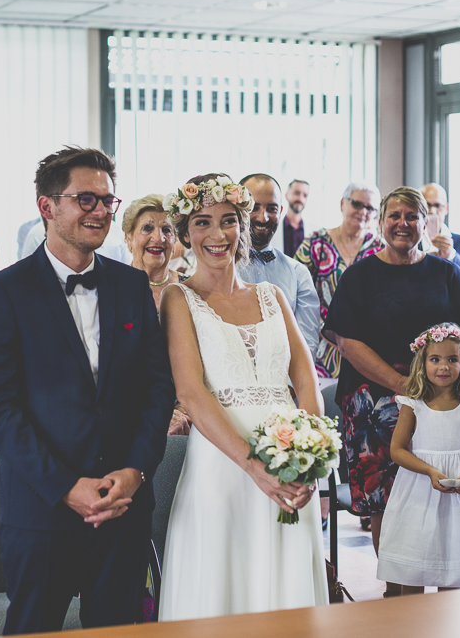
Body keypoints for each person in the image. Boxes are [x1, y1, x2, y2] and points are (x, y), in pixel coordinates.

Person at [0, 146, 175, 634]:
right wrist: (65, 487)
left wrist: (136, 471)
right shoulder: (3, 293)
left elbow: (158, 388)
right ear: (47, 206)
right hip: (41, 512)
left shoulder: (131, 286)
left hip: (124, 507)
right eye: (87, 199)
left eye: (107, 200)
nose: (101, 211)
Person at [158, 174, 327, 619]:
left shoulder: (272, 295)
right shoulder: (178, 299)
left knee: (285, 590)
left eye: (228, 221)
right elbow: (192, 394)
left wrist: (307, 457)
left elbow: (306, 382)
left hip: (289, 462)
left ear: (243, 224)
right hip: (223, 465)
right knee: (224, 591)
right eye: (202, 223)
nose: (217, 235)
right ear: (184, 232)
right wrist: (255, 467)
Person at [324, 186, 460, 598]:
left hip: (440, 406)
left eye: (412, 216)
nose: (403, 224)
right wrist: (406, 388)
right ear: (381, 222)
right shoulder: (360, 274)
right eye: (394, 215)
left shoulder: (449, 273)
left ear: (426, 222)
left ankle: (448, 591)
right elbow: (348, 340)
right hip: (373, 403)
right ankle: (400, 591)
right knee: (390, 504)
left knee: (441, 495)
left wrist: (437, 386)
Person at [377, 323, 460, 594]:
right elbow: (397, 450)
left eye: (452, 359)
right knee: (414, 567)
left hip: (459, 496)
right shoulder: (413, 403)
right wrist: (430, 471)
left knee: (453, 567)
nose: (443, 366)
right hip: (419, 492)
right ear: (422, 363)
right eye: (435, 359)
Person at [295, 182, 386, 379]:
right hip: (319, 345)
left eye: (370, 208)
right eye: (357, 204)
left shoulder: (380, 248)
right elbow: (295, 293)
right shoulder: (315, 242)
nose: (363, 212)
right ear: (343, 203)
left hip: (367, 351)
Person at [122, 194, 188, 436]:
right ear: (128, 238)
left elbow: (207, 361)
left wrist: (183, 410)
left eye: (167, 230)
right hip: (126, 413)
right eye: (147, 228)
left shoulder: (192, 291)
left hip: (187, 416)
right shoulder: (110, 289)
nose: (158, 238)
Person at [237, 174, 320, 355]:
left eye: (272, 209)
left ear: (281, 211)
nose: (263, 217)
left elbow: (307, 346)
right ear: (238, 209)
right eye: (253, 207)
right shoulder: (218, 270)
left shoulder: (299, 274)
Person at [421, 183, 460, 291]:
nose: (432, 211)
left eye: (437, 206)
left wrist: (452, 255)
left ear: (446, 208)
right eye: (427, 205)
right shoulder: (410, 242)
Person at [283, 179, 316, 258]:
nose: (300, 199)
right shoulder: (275, 229)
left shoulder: (315, 232)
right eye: (296, 193)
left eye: (305, 195)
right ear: (286, 195)